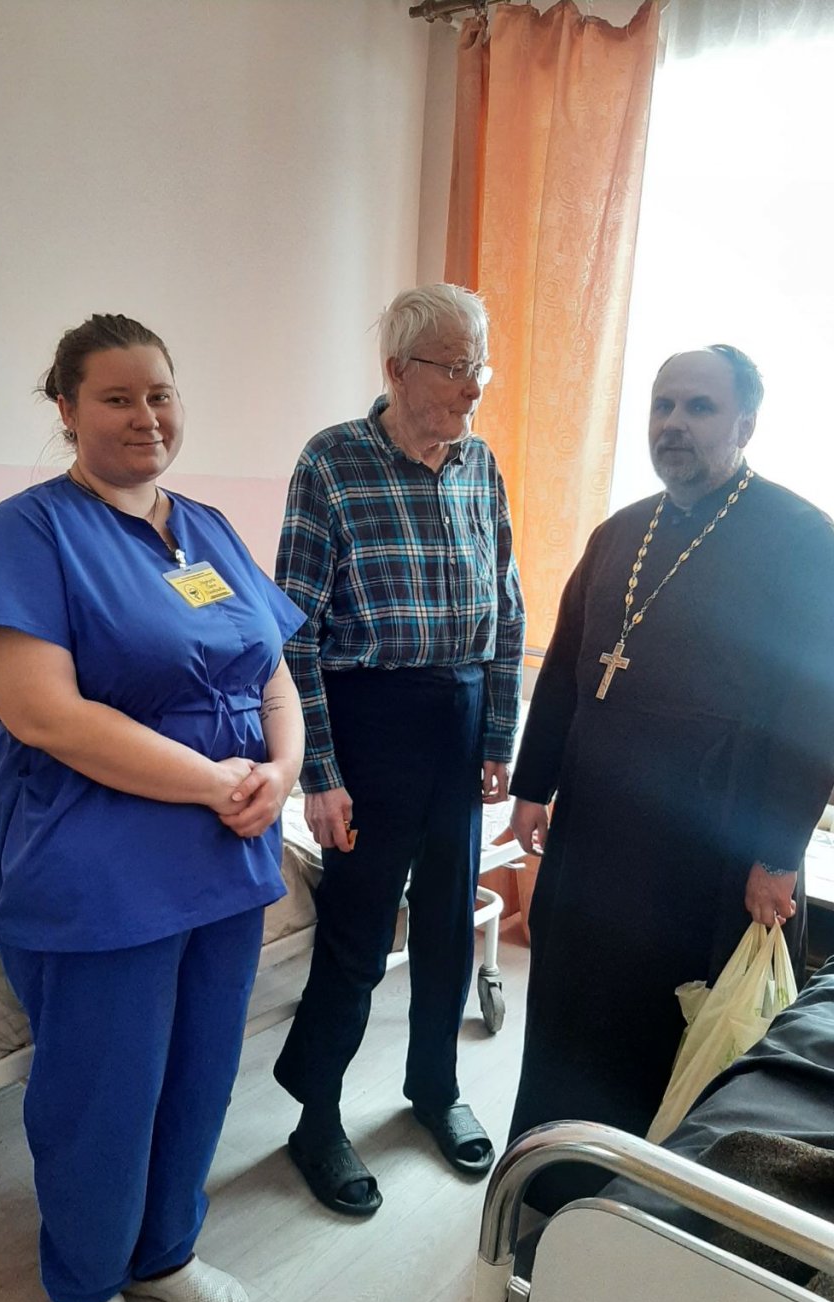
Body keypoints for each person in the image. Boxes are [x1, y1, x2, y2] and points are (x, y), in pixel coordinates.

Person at [0, 314, 306, 1302]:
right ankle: (88, 1285)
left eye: (160, 394)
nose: (145, 416)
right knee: (103, 1088)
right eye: (115, 397)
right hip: (94, 855)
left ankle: (164, 1251)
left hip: (224, 848)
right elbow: (44, 714)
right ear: (65, 409)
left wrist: (281, 771)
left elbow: (274, 673)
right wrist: (219, 781)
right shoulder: (24, 534)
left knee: (200, 1070)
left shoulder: (208, 528)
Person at [507, 345, 834, 1212]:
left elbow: (820, 711)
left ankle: (642, 1219)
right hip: (596, 833)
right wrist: (534, 782)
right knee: (571, 1017)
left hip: (712, 848)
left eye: (698, 407)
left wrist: (776, 853)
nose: (673, 424)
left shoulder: (801, 538)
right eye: (662, 405)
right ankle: (547, 1189)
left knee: (668, 1033)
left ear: (745, 423)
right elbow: (568, 666)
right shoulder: (621, 531)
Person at [272, 284, 525, 1216]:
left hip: (461, 716)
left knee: (451, 921)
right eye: (454, 367)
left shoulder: (480, 464)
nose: (472, 387)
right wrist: (320, 774)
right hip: (371, 719)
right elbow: (293, 631)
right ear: (396, 370)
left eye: (478, 366)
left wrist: (498, 732)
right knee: (358, 931)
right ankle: (316, 1118)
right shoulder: (332, 462)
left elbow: (508, 606)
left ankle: (433, 1088)